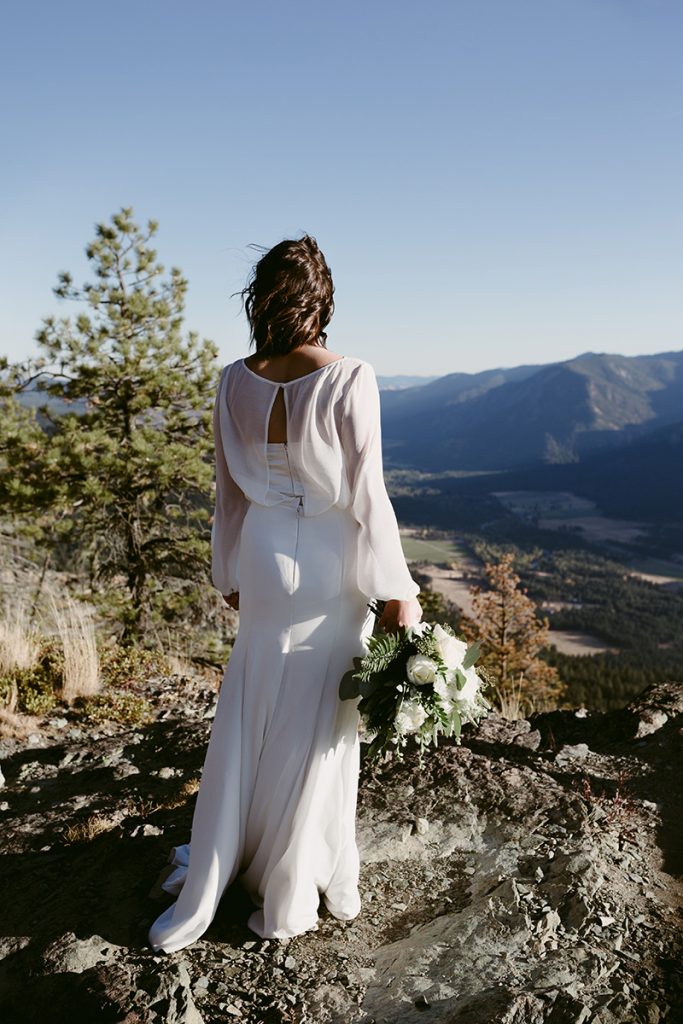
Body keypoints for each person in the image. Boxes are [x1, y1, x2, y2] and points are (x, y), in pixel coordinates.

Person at [147, 235, 423, 952]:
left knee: (253, 701)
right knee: (318, 715)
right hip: (331, 560)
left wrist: (227, 572)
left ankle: (234, 853)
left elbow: (228, 496)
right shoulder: (348, 376)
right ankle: (291, 875)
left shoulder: (233, 380)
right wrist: (397, 587)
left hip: (265, 556)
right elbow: (366, 493)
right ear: (321, 299)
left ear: (260, 299)